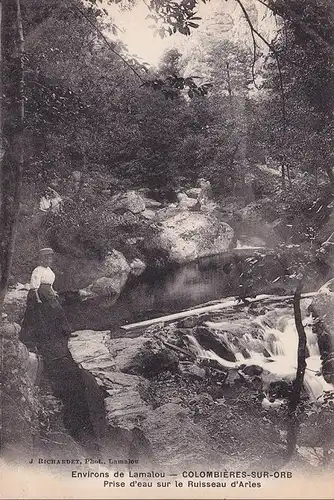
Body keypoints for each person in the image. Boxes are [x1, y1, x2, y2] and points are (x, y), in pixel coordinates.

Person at [20, 248, 74, 360]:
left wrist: (53, 292)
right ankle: (40, 343)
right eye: (46, 258)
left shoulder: (49, 270)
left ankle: (64, 333)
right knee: (42, 316)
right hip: (40, 293)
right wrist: (38, 298)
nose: (49, 260)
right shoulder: (38, 270)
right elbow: (35, 285)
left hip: (48, 293)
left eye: (50, 258)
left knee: (57, 311)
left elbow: (49, 285)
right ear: (42, 259)